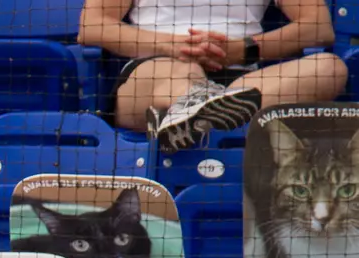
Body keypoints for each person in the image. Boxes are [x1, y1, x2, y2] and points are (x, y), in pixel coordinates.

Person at [80, 0, 346, 153]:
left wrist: (244, 49)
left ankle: (198, 114)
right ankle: (196, 106)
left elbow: (317, 26)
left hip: (242, 81)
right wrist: (171, 46)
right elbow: (91, 26)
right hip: (154, 74)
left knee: (329, 68)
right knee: (184, 72)